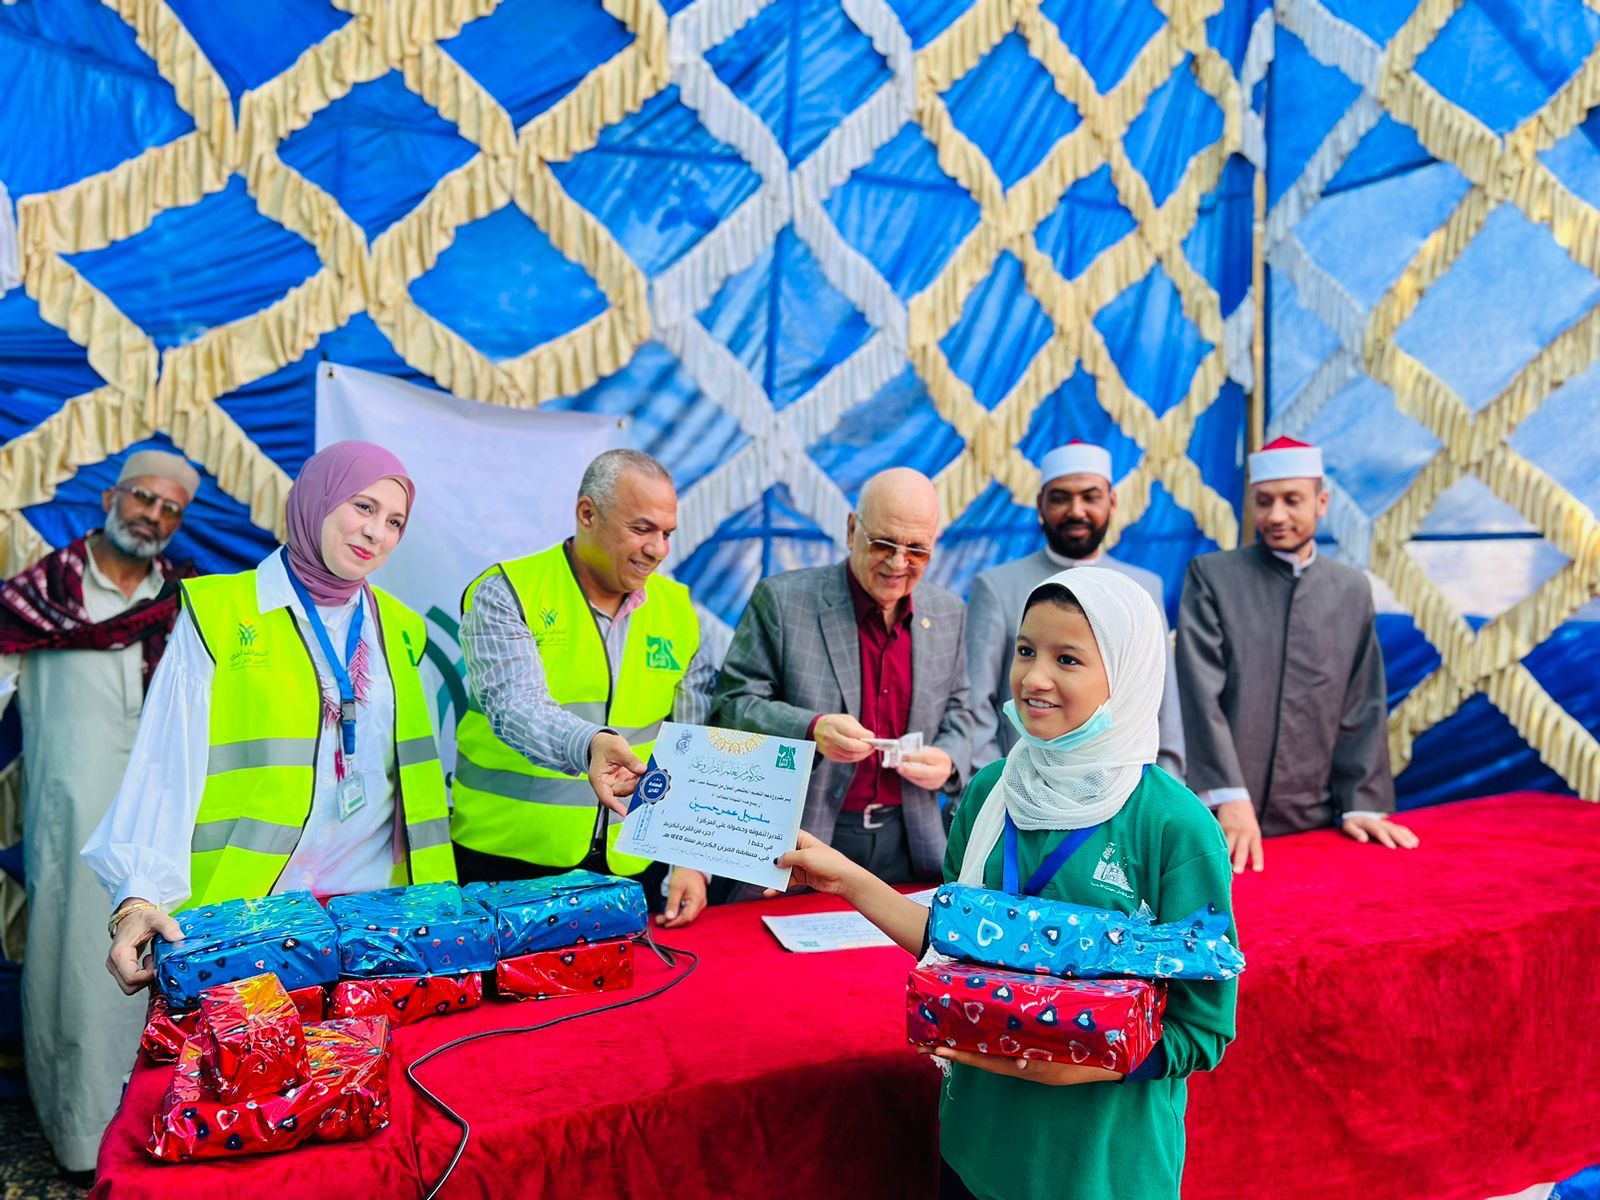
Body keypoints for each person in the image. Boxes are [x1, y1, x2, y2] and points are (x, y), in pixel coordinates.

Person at [774, 567, 1237, 1200]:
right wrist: (847, 880)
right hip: (976, 1152)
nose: (1034, 677)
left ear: (1126, 674)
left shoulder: (1174, 827)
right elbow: (956, 948)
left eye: (1067, 659)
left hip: (1096, 1174)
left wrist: (1084, 1066)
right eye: (1025, 650)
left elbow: (1203, 1030)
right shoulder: (992, 791)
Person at [86, 440, 455, 994]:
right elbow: (164, 769)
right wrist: (136, 898)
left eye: (395, 521)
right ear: (316, 500)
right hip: (245, 924)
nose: (376, 532)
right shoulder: (220, 613)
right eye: (363, 506)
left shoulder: (403, 628)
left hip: (377, 926)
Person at [0, 450, 199, 1178]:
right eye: (144, 497)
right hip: (70, 824)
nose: (153, 515)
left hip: (166, 831)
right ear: (112, 497)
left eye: (171, 508)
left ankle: (158, 1133)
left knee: (161, 973)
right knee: (74, 975)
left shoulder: (188, 605)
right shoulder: (36, 598)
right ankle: (79, 1140)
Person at [453, 449, 713, 927]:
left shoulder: (679, 609)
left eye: (667, 533)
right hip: (505, 863)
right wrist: (590, 744)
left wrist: (690, 860)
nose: (658, 549)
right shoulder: (507, 591)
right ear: (587, 514)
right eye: (642, 529)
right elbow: (514, 707)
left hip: (633, 865)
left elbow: (691, 743)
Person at [711, 468, 973, 884]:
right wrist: (811, 729)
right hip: (803, 837)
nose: (898, 563)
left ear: (934, 544)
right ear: (852, 530)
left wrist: (950, 760)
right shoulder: (783, 601)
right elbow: (730, 707)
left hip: (910, 840)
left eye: (917, 551)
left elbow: (960, 707)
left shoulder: (948, 611)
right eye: (883, 544)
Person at [1175, 435, 1419, 872]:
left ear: (1322, 502)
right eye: (1264, 501)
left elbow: (1362, 702)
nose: (1276, 515)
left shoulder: (1350, 589)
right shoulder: (1212, 576)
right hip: (1222, 818)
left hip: (1316, 821)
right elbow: (1198, 693)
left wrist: (1361, 803)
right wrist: (1228, 794)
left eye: (1292, 500)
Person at [967, 440, 1184, 775]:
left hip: (1124, 788)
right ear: (1040, 505)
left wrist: (1167, 782)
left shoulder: (1142, 588)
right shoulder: (997, 587)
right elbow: (976, 706)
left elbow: (1162, 703)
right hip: (1021, 783)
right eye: (1060, 498)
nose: (1076, 511)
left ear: (1112, 502)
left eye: (1090, 497)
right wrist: (996, 785)